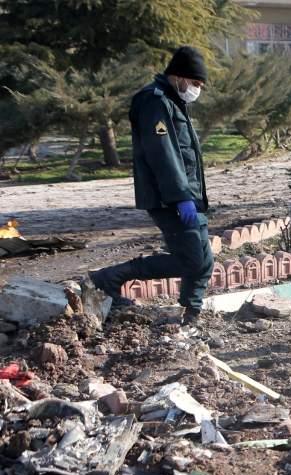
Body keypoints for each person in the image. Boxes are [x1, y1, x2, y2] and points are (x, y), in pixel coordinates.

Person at [88, 46, 213, 325]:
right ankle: (111, 276)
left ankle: (191, 313)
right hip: (169, 198)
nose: (196, 90)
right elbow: (162, 154)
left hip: (189, 196)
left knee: (204, 261)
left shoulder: (172, 101)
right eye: (194, 83)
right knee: (191, 260)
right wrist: (180, 197)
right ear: (178, 77)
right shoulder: (154, 102)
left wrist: (192, 196)